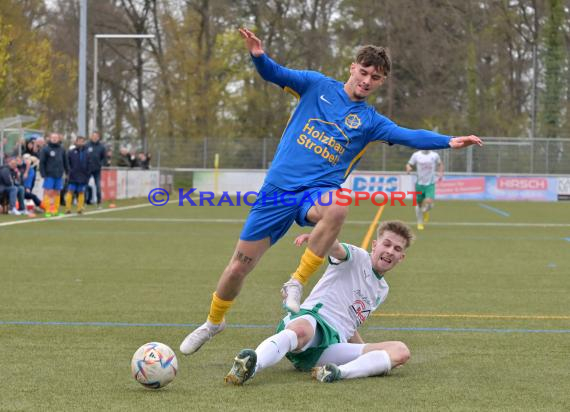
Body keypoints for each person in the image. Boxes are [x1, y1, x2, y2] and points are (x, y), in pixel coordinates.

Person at [179, 28, 483, 356]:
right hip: (276, 193)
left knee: (338, 206)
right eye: (364, 72)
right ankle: (213, 322)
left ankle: (296, 282)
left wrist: (448, 141)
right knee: (238, 267)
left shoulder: (370, 121)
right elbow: (274, 73)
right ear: (353, 67)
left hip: (317, 193)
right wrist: (258, 55)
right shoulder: (316, 85)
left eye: (375, 77)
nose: (367, 80)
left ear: (381, 82)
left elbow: (409, 134)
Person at [225, 221, 413, 385]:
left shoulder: (383, 290)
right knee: (302, 331)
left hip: (331, 347)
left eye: (397, 249)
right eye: (386, 244)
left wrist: (364, 350)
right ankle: (249, 366)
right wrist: (321, 239)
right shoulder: (356, 256)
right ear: (375, 245)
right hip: (313, 322)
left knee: (400, 351)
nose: (390, 251)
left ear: (401, 257)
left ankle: (337, 373)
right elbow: (336, 248)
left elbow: (350, 324)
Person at [406, 150, 443, 230]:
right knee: (419, 204)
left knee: (429, 202)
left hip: (430, 184)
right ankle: (420, 222)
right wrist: (408, 168)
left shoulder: (435, 155)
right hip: (419, 184)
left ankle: (425, 210)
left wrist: (440, 173)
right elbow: (409, 164)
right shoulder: (416, 155)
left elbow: (440, 164)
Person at [39, 133, 69, 217]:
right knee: (48, 191)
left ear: (59, 139)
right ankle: (48, 210)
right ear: (50, 138)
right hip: (49, 174)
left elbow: (65, 161)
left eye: (56, 137)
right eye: (53, 137)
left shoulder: (62, 149)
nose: (54, 139)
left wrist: (67, 171)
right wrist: (43, 173)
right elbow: (42, 162)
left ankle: (55, 210)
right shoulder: (45, 149)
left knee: (57, 192)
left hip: (59, 174)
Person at [65, 136, 89, 214]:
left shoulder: (87, 153)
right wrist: (69, 171)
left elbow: (89, 163)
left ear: (84, 142)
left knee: (81, 192)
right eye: (79, 141)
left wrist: (87, 172)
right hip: (73, 175)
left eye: (82, 141)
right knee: (70, 191)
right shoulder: (71, 152)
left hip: (83, 175)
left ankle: (79, 209)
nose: (80, 143)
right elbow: (67, 163)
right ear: (76, 142)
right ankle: (68, 209)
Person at [86, 131, 106, 209]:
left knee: (98, 186)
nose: (94, 137)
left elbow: (104, 158)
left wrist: (100, 164)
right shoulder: (87, 145)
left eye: (96, 136)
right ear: (91, 137)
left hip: (97, 170)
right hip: (87, 169)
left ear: (98, 137)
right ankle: (84, 202)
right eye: (93, 136)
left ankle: (99, 203)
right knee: (85, 185)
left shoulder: (101, 147)